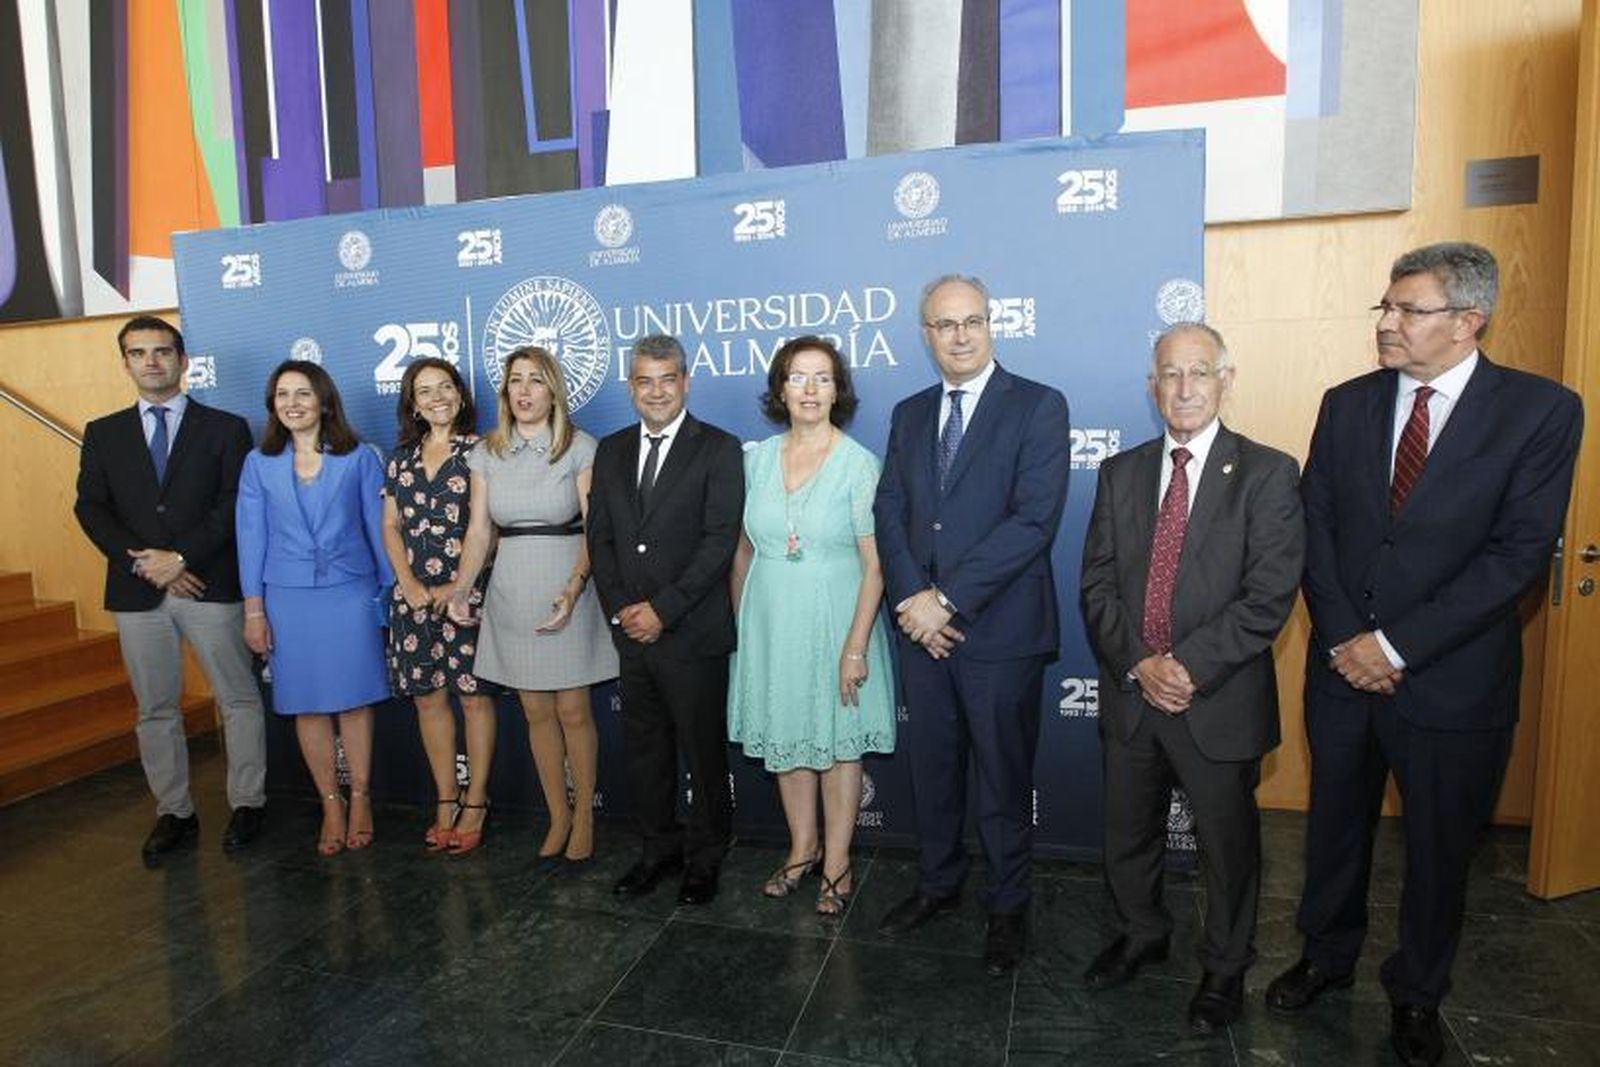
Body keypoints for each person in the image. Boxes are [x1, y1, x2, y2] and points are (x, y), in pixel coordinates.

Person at [1268, 242, 1583, 1067]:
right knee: (1335, 826)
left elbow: (1517, 556)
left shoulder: (1541, 411)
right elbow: (1316, 526)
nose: (1388, 322)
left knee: (1441, 849)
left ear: (1468, 320)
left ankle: (1417, 992)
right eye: (1387, 305)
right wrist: (1348, 638)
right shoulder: (1347, 403)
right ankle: (1324, 957)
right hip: (1343, 669)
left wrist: (1395, 645)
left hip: (1453, 679)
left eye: (1409, 309)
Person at [1079, 323, 1304, 1033]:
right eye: (1169, 374)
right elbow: (1097, 585)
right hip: (1133, 693)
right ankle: (1141, 932)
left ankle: (1225, 968)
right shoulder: (1120, 472)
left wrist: (1187, 667)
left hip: (1218, 700)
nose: (1183, 388)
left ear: (1225, 381)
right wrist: (1141, 663)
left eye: (1198, 372)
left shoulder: (1268, 472)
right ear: (1152, 386)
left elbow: (1269, 595)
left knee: (1227, 848)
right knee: (1128, 833)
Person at [873, 274, 1072, 975]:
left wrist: (946, 600)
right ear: (926, 334)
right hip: (920, 632)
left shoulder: (1039, 405)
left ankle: (1008, 905)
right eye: (944, 324)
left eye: (971, 321)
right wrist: (912, 601)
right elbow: (889, 511)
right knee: (932, 770)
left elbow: (1034, 520)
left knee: (1002, 778)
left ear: (991, 324)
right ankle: (938, 884)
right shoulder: (908, 413)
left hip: (1000, 632)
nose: (959, 336)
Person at [74, 316, 268, 859]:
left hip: (207, 585)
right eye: (138, 353)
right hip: (138, 593)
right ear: (126, 364)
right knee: (155, 708)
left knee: (238, 698)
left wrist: (181, 557)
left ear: (182, 361)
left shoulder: (226, 428)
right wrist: (147, 565)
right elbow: (91, 507)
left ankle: (248, 802)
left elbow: (233, 504)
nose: (151, 362)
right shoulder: (103, 432)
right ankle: (174, 811)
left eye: (161, 351)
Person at [727, 336, 896, 915]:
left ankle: (837, 862)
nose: (809, 389)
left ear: (837, 391)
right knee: (788, 736)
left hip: (837, 622)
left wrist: (856, 647)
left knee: (838, 745)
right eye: (797, 377)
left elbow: (876, 564)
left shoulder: (858, 464)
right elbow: (743, 552)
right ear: (780, 389)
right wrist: (744, 626)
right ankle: (801, 849)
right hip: (771, 623)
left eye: (822, 378)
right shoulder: (755, 462)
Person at [588, 333, 745, 905]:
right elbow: (600, 538)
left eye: (667, 380)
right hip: (632, 634)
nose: (656, 392)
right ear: (631, 387)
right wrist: (622, 611)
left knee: (702, 754)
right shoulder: (610, 450)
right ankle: (657, 850)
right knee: (646, 752)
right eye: (644, 381)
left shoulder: (719, 448)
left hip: (692, 633)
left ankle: (705, 857)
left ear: (685, 382)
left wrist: (663, 609)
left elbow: (719, 542)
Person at [449, 347, 617, 862]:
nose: (524, 391)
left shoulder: (580, 447)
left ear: (553, 391)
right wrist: (461, 588)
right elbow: (480, 532)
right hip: (512, 589)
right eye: (516, 380)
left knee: (572, 709)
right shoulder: (487, 452)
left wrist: (574, 587)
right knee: (535, 711)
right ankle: (558, 816)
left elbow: (595, 529)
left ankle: (585, 817)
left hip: (568, 584)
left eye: (536, 380)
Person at [236, 360, 393, 857]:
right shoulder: (258, 463)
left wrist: (388, 595)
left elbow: (380, 530)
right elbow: (251, 539)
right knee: (306, 703)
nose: (293, 403)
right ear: (272, 405)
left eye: (303, 393)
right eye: (282, 394)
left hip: (350, 593)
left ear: (324, 402)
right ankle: (330, 804)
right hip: (287, 598)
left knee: (354, 700)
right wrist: (254, 610)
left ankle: (361, 798)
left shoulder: (359, 458)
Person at [380, 357, 496, 854]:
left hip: (466, 595)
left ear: (460, 395)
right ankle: (446, 800)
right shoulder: (400, 459)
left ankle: (476, 802)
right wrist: (408, 584)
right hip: (414, 600)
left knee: (473, 698)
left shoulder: (482, 452)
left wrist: (458, 587)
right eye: (424, 391)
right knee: (428, 698)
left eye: (445, 387)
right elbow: (390, 526)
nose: (437, 398)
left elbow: (488, 528)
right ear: (413, 404)